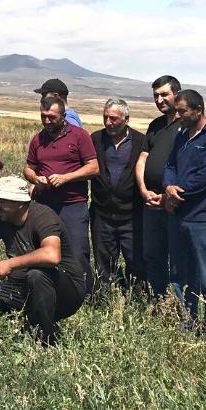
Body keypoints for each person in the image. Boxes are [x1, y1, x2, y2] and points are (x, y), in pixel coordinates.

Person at [0, 176, 88, 345]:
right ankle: (25, 319)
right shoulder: (2, 219)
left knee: (36, 275)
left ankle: (44, 339)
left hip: (65, 290)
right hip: (21, 285)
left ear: (19, 203)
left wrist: (10, 264)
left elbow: (52, 255)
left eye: (2, 201)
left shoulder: (43, 216)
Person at [162, 89, 206, 333]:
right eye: (176, 111)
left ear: (198, 110)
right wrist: (168, 187)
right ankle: (184, 320)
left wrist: (176, 193)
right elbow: (170, 165)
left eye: (182, 111)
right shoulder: (182, 135)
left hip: (203, 216)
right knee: (179, 273)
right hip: (178, 214)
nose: (178, 116)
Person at [23, 96, 98, 268]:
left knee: (77, 252)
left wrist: (66, 178)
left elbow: (94, 168)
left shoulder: (79, 136)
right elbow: (28, 168)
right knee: (42, 250)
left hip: (72, 205)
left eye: (52, 117)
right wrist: (35, 178)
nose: (47, 121)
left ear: (63, 116)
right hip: (44, 204)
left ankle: (81, 285)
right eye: (43, 116)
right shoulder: (38, 139)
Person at [89, 98, 145, 292]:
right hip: (102, 213)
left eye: (113, 118)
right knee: (103, 261)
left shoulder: (140, 141)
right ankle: (105, 296)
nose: (108, 122)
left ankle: (136, 296)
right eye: (105, 117)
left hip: (132, 214)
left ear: (126, 119)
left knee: (136, 260)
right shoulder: (95, 139)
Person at [135, 75, 182, 300]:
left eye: (164, 94)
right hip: (151, 202)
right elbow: (142, 160)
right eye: (156, 95)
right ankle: (158, 302)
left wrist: (166, 197)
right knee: (153, 255)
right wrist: (143, 190)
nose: (159, 100)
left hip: (176, 205)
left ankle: (181, 308)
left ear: (177, 94)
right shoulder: (155, 125)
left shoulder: (187, 125)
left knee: (179, 259)